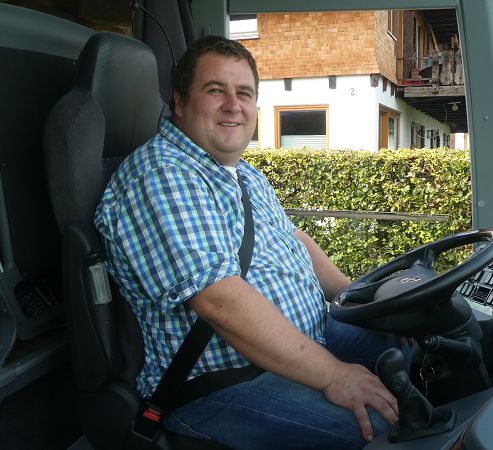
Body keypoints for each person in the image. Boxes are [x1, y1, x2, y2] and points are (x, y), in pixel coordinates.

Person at [95, 35, 406, 449]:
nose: (233, 105)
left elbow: (292, 239)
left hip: (309, 336)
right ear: (181, 103)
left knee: (414, 347)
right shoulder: (161, 175)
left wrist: (355, 296)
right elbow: (220, 302)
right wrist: (334, 374)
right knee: (383, 429)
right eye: (215, 90)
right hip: (220, 382)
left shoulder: (242, 173)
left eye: (244, 93)